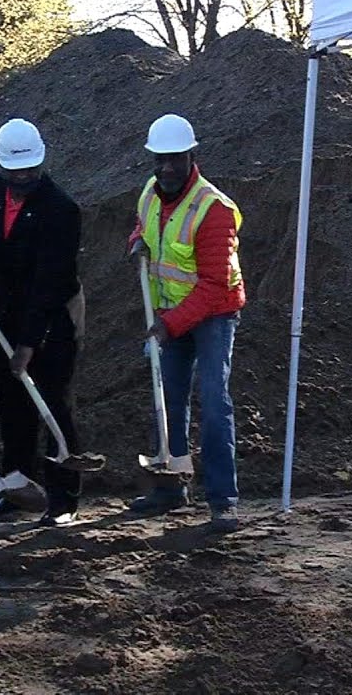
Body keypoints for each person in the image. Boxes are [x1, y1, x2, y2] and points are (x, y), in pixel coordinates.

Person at [0, 118, 87, 527]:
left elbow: (51, 281)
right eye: (15, 171)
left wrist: (29, 344)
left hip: (55, 311)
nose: (22, 178)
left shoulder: (61, 208)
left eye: (30, 170)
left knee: (54, 400)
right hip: (6, 305)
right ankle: (17, 488)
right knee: (12, 402)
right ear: (0, 164)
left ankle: (63, 498)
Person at [126, 113, 245, 533]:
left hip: (214, 316)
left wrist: (168, 325)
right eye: (160, 160)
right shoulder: (151, 193)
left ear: (192, 156)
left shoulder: (213, 210)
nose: (167, 169)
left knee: (214, 404)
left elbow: (213, 286)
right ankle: (172, 488)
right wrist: (137, 240)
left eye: (175, 159)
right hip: (170, 314)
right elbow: (146, 226)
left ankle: (222, 501)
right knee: (167, 400)